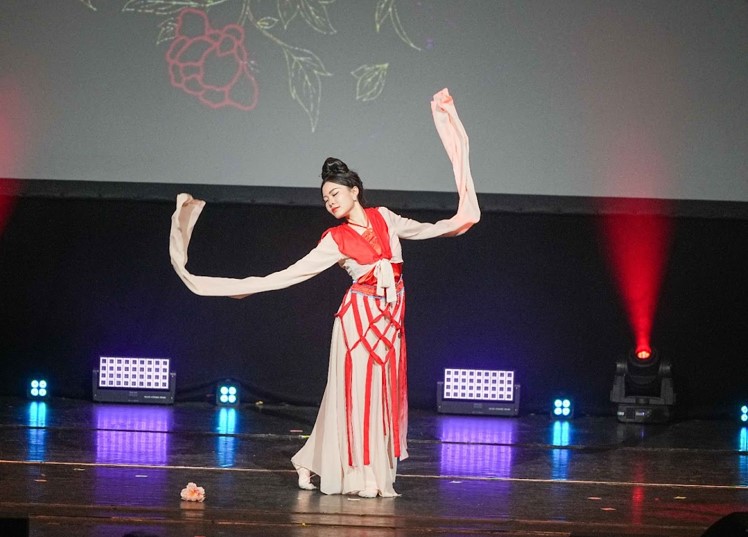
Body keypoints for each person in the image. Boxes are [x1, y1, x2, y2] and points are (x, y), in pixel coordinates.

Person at [169, 88, 480, 497]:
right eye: (325, 198)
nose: (330, 201)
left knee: (380, 399)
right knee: (352, 398)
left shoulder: (385, 218)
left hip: (390, 322)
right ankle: (349, 475)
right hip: (358, 324)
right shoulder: (334, 240)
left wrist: (461, 219)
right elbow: (293, 273)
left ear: (354, 189)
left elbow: (428, 229)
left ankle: (362, 473)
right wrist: (250, 287)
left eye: (335, 193)